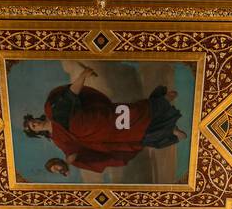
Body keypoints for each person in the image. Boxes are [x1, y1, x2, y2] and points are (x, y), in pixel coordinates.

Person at [23, 64, 185, 176]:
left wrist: (83, 75)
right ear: (37, 132)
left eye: (33, 123)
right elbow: (72, 152)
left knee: (136, 112)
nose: (35, 125)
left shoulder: (51, 110)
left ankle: (164, 103)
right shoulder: (58, 139)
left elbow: (70, 96)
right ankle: (168, 129)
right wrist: (64, 164)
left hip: (102, 117)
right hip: (103, 136)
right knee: (134, 136)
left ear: (36, 118)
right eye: (34, 128)